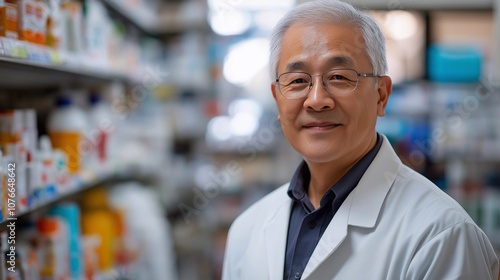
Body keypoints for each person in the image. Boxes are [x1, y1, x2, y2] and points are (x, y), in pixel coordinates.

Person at [222, 0, 499, 279]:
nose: (317, 100)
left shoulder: (440, 236)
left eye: (340, 76)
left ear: (381, 95)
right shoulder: (247, 230)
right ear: (277, 99)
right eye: (297, 80)